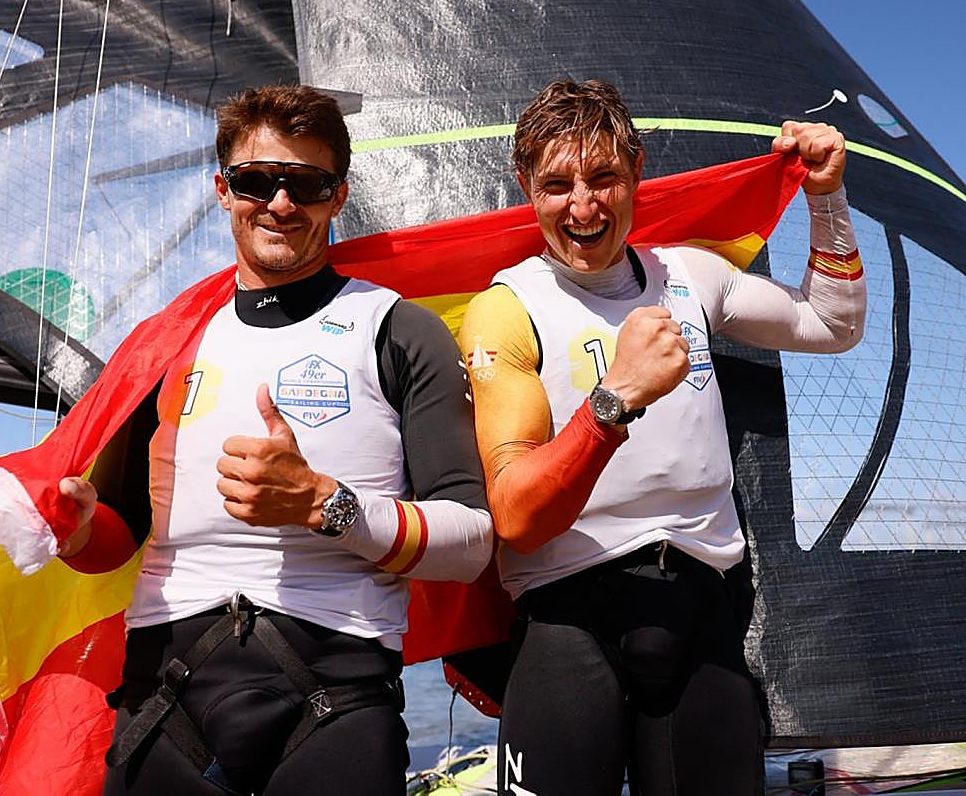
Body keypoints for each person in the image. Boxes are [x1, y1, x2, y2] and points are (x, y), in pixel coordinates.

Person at [53, 84, 493, 796]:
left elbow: (471, 544)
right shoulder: (168, 340)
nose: (281, 204)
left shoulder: (399, 330)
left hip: (335, 697)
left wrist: (326, 506)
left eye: (307, 184)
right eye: (258, 181)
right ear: (223, 190)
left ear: (338, 196)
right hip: (164, 694)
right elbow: (118, 532)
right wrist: (75, 530)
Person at [459, 79, 866, 796]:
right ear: (526, 187)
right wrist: (613, 401)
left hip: (701, 613)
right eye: (556, 185)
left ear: (636, 171)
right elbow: (517, 517)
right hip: (568, 617)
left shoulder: (690, 276)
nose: (582, 206)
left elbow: (833, 325)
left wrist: (826, 196)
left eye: (603, 178)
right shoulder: (505, 309)